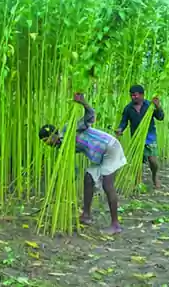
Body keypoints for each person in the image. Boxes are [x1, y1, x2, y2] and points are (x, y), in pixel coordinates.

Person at [38, 93, 127, 234]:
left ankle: (115, 224)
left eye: (46, 140)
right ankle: (86, 215)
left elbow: (91, 115)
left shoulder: (68, 129)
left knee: (107, 185)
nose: (47, 144)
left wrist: (83, 102)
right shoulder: (62, 146)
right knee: (88, 177)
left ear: (52, 135)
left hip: (110, 148)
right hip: (100, 156)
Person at [115, 84, 165, 188]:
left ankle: (155, 176)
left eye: (136, 95)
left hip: (149, 136)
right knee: (137, 162)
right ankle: (137, 182)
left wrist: (158, 107)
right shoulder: (128, 108)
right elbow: (124, 122)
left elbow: (160, 117)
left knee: (152, 160)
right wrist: (120, 129)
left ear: (142, 95)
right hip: (136, 137)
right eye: (132, 95)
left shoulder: (149, 106)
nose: (133, 97)